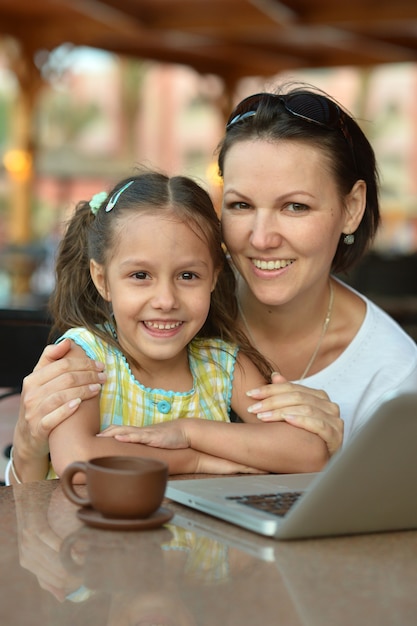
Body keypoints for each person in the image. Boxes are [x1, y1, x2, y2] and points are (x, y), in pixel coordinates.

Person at [15, 79, 416, 481]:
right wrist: (27, 450)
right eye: (241, 204)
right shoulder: (118, 344)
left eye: (295, 206)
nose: (261, 238)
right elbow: (64, 468)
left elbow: (327, 473)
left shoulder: (392, 375)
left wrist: (187, 435)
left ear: (352, 207)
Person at [12, 170, 328, 482]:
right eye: (140, 276)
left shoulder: (222, 365)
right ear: (102, 279)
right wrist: (194, 459)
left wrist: (187, 431)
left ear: (213, 279)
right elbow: (79, 460)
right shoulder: (85, 357)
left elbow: (309, 451)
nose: (165, 300)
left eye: (187, 276)